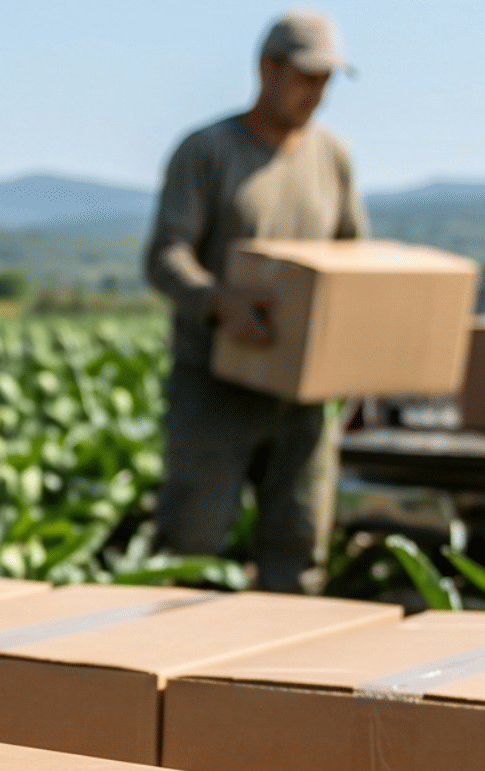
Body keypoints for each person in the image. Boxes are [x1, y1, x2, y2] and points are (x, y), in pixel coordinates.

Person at [144, 9, 369, 593]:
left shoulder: (332, 159)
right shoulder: (207, 152)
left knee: (298, 549)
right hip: (217, 383)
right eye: (307, 77)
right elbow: (165, 256)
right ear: (268, 68)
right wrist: (219, 301)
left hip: (304, 393)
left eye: (326, 81)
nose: (317, 93)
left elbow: (353, 261)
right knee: (190, 546)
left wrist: (358, 360)